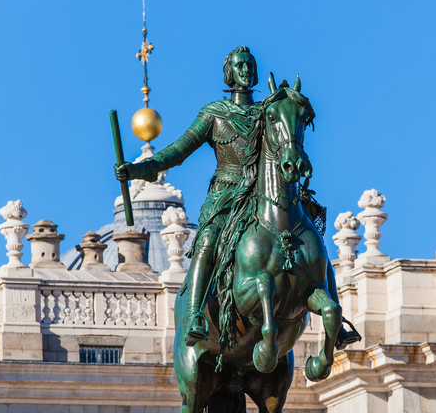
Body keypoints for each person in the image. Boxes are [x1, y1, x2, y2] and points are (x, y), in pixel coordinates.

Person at [115, 46, 358, 349]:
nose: (246, 70)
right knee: (206, 242)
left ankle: (339, 321)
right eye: (240, 65)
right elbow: (178, 151)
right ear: (229, 73)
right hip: (226, 196)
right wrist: (139, 170)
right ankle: (194, 317)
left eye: (250, 64)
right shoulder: (214, 114)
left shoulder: (266, 112)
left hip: (263, 192)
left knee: (312, 242)